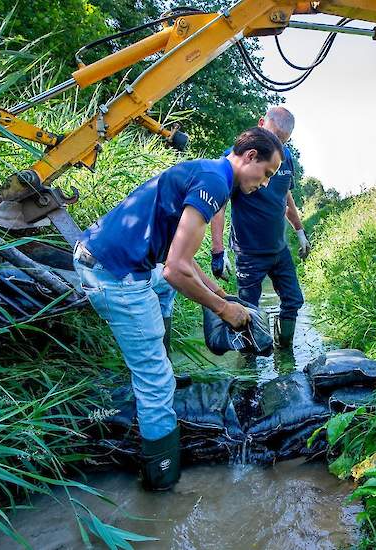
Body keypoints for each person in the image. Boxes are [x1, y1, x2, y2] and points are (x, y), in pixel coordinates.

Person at [73, 127, 283, 491]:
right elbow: (175, 270)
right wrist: (223, 309)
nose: (264, 184)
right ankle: (162, 482)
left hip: (109, 257)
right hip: (114, 273)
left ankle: (163, 364)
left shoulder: (209, 172)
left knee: (164, 292)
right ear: (249, 157)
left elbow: (175, 255)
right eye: (265, 173)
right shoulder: (216, 185)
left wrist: (215, 289)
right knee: (155, 381)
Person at [210, 107, 310, 348]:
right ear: (261, 123)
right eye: (274, 136)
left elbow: (286, 197)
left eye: (282, 141)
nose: (276, 145)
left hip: (279, 249)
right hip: (249, 252)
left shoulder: (285, 159)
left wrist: (300, 232)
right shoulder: (238, 158)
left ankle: (284, 353)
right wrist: (218, 251)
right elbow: (219, 206)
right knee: (247, 311)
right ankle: (249, 366)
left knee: (294, 300)